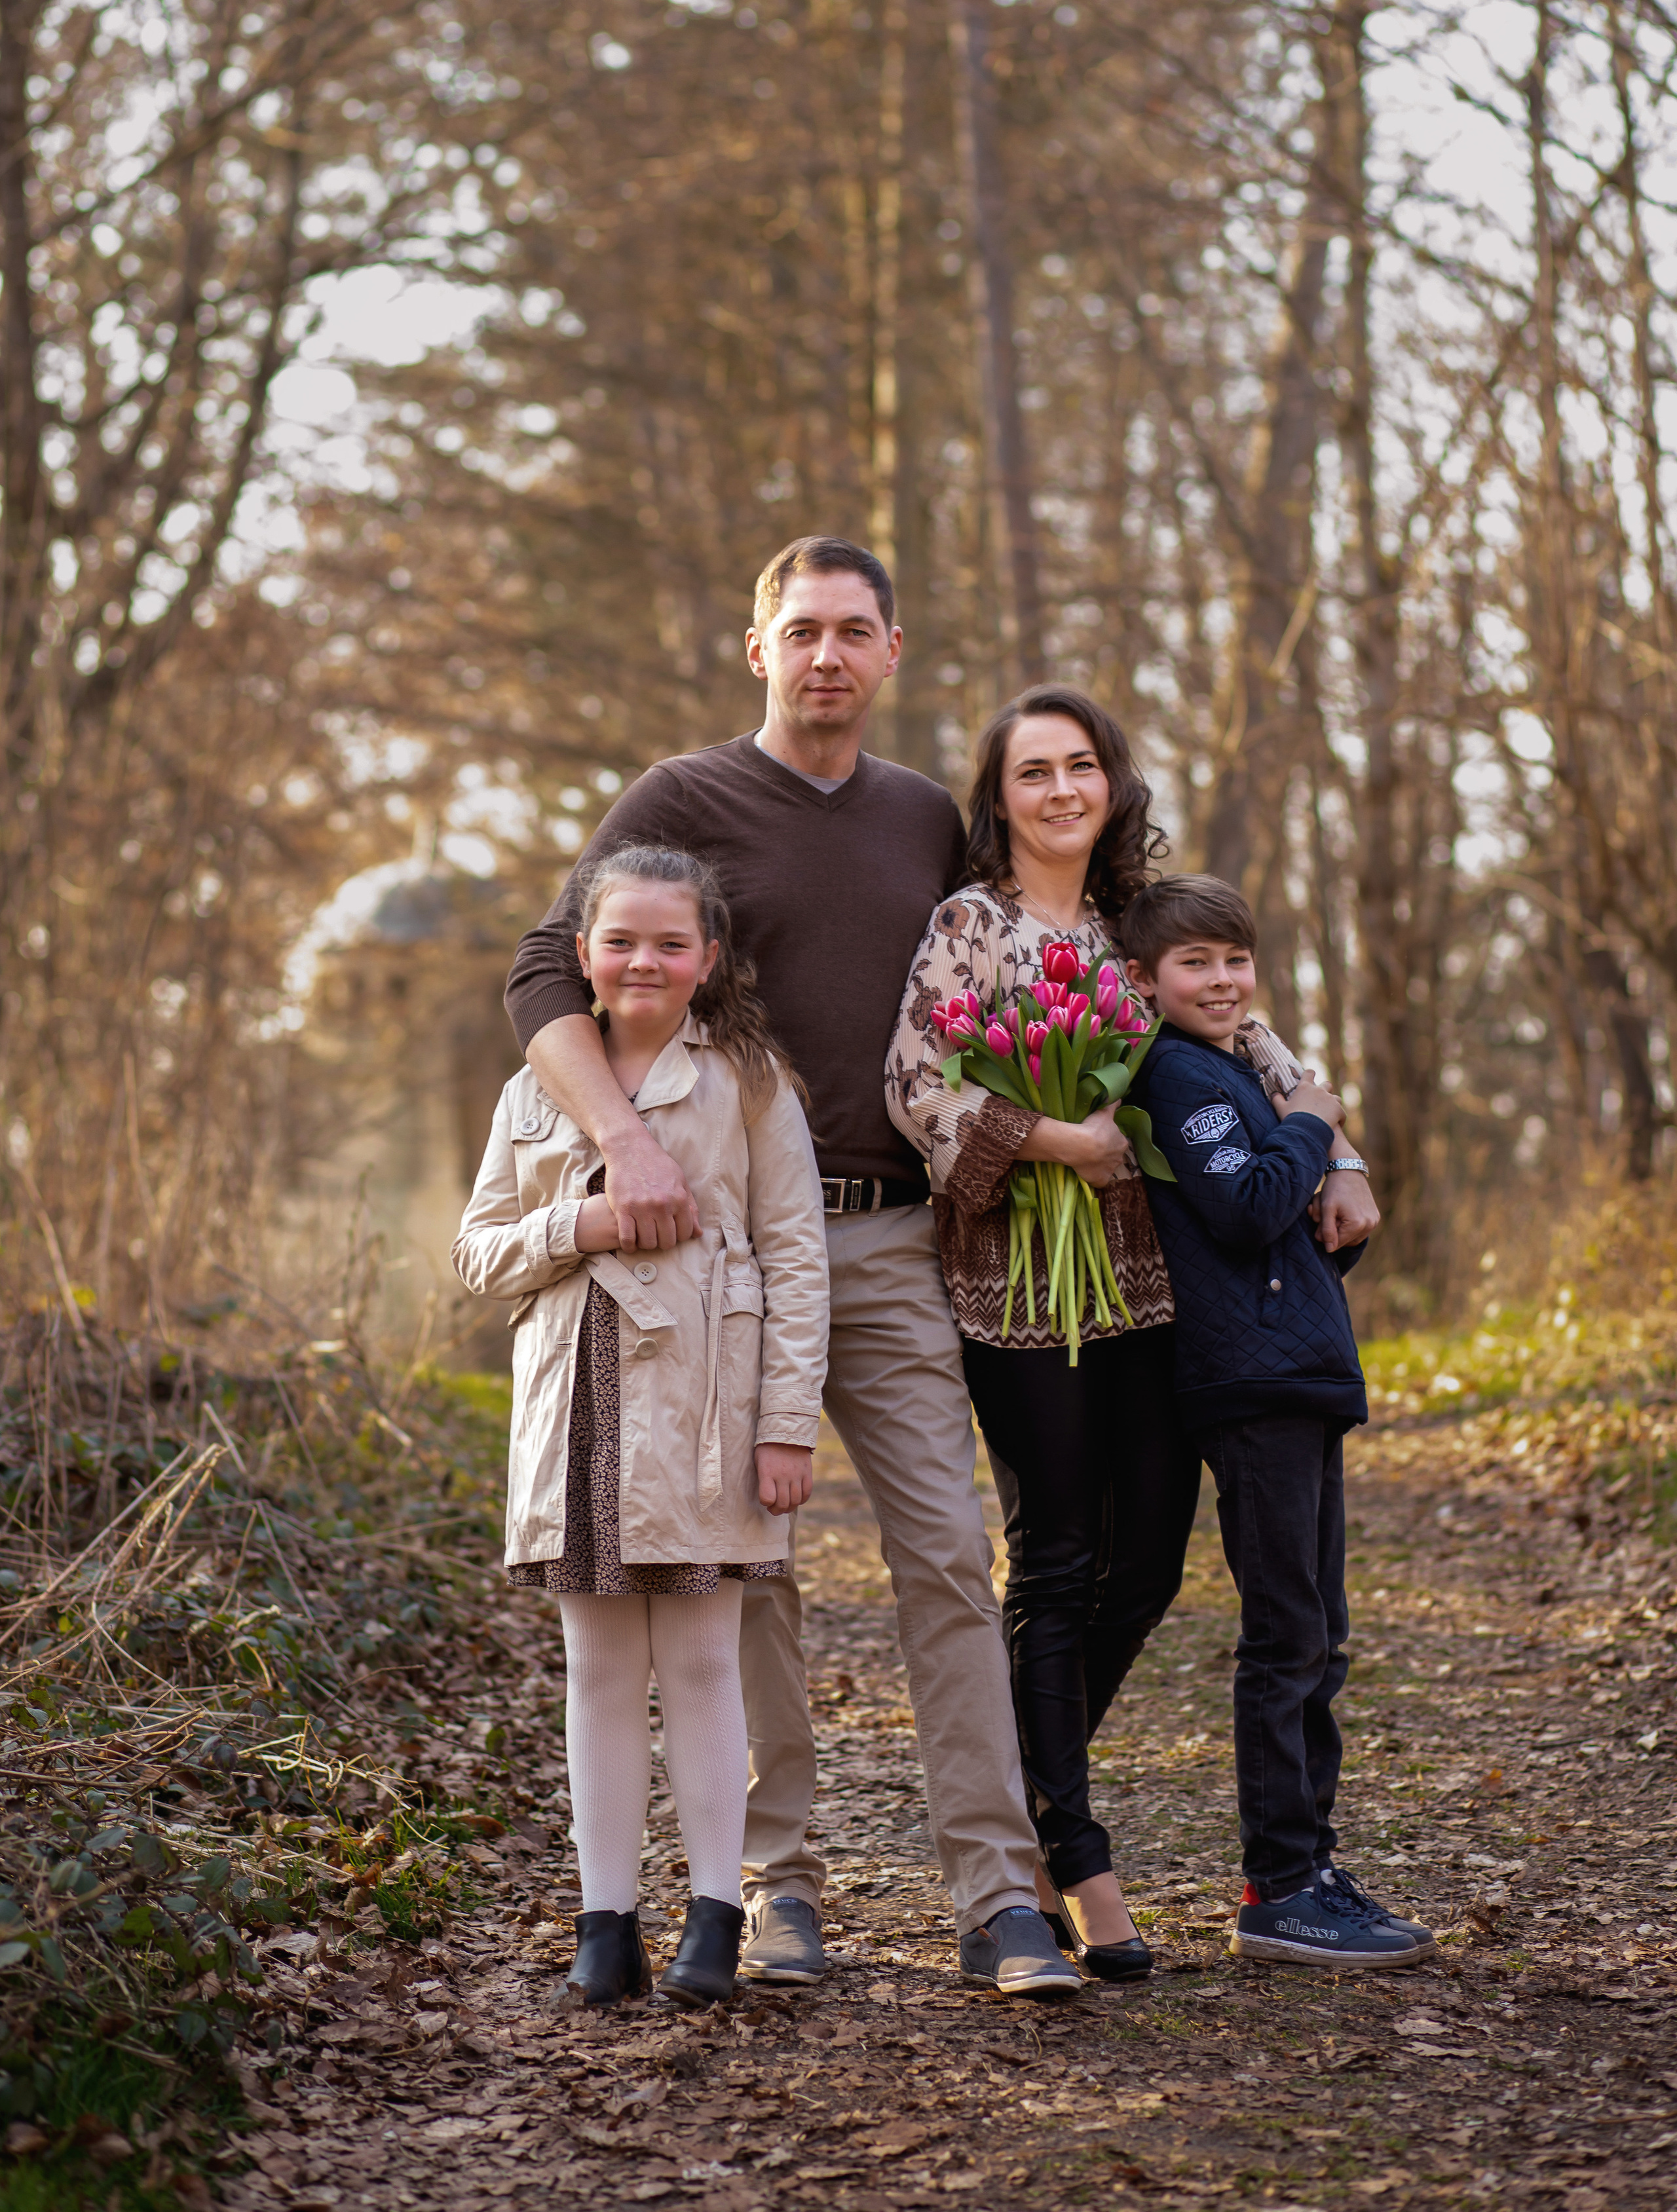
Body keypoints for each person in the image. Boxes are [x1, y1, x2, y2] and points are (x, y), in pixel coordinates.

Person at [502, 538, 1081, 1997]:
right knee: (743, 1570)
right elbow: (541, 971)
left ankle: (999, 1896)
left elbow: (1016, 970)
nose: (826, 656)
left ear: (891, 652)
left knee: (947, 1556)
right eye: (800, 630)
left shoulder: (922, 818)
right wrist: (625, 1143)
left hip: (889, 1239)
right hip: (715, 1251)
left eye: (853, 633)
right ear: (753, 646)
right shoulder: (680, 800)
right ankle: (771, 1886)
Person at [886, 686, 1379, 1979]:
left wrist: (1345, 1154)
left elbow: (1253, 1041)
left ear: (1110, 784)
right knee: (1053, 1558)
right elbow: (916, 1085)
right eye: (1032, 771)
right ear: (997, 796)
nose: (1059, 789)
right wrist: (1045, 1134)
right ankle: (1069, 1849)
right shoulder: (969, 924)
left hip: (1149, 1280)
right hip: (1017, 1283)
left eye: (1080, 766)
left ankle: (1013, 1779)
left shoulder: (1131, 925)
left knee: (1150, 1559)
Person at [453, 845, 829, 2007]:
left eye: (671, 943)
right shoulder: (536, 1089)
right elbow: (478, 1252)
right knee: (600, 1669)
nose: (645, 962)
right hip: (576, 1406)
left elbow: (798, 1257)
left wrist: (787, 1426)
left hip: (707, 1404)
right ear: (582, 956)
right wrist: (587, 1221)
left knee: (708, 1659)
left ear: (708, 958)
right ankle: (603, 1921)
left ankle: (716, 1913)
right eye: (621, 941)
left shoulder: (749, 1079)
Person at [1122, 872, 1434, 1967]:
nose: (1221, 980)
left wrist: (1330, 1175)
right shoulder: (1178, 1075)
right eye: (1195, 964)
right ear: (1149, 981)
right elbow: (1247, 1206)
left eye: (1234, 959)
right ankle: (1278, 1884)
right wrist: (1313, 1127)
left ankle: (1312, 1864)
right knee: (1285, 1635)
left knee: (1323, 1634)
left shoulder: (1236, 1068)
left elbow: (1292, 1225)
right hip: (1248, 1384)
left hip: (1295, 1370)